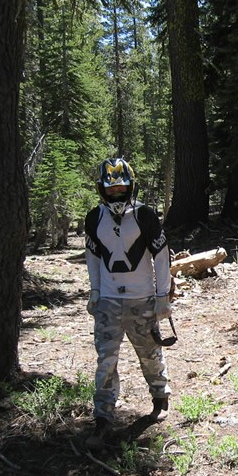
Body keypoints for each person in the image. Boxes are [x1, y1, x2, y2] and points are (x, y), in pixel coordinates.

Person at [83, 157, 173, 451]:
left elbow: (161, 255)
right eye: (111, 190)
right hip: (109, 300)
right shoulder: (94, 218)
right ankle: (103, 416)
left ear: (131, 187)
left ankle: (160, 398)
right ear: (101, 190)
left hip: (142, 298)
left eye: (122, 188)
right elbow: (93, 257)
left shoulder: (145, 216)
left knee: (150, 352)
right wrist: (95, 291)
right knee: (105, 360)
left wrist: (163, 296)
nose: (117, 194)